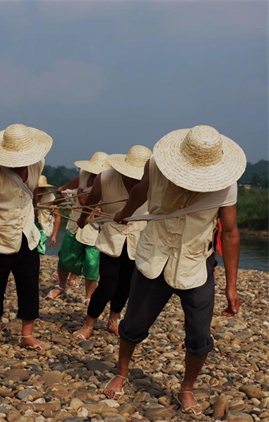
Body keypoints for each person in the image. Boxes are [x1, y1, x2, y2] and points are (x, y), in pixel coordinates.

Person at [104, 126, 245, 416]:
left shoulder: (226, 184)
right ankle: (121, 371)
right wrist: (125, 214)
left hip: (196, 263)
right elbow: (139, 193)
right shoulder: (155, 166)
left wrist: (232, 286)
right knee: (134, 323)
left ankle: (187, 388)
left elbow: (230, 233)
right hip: (154, 254)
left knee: (199, 333)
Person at [0, 124, 53, 351]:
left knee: (29, 285)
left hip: (27, 236)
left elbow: (31, 195)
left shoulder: (37, 163)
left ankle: (27, 333)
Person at [72, 145, 152, 340]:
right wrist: (83, 220)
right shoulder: (105, 178)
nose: (134, 180)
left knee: (126, 285)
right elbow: (91, 202)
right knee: (108, 284)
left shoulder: (153, 183)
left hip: (138, 239)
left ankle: (113, 320)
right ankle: (88, 323)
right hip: (112, 238)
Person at [46, 152, 111, 302]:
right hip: (75, 224)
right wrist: (59, 193)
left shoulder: (108, 184)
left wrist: (82, 199)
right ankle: (61, 286)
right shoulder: (84, 174)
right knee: (65, 257)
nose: (95, 175)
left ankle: (88, 297)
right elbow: (72, 186)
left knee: (92, 264)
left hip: (94, 229)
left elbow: (87, 203)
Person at [34, 175, 61, 255]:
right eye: (38, 188)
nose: (40, 190)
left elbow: (57, 216)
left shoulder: (50, 197)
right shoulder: (30, 194)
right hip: (31, 224)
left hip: (44, 226)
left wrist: (54, 235)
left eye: (42, 188)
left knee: (38, 248)